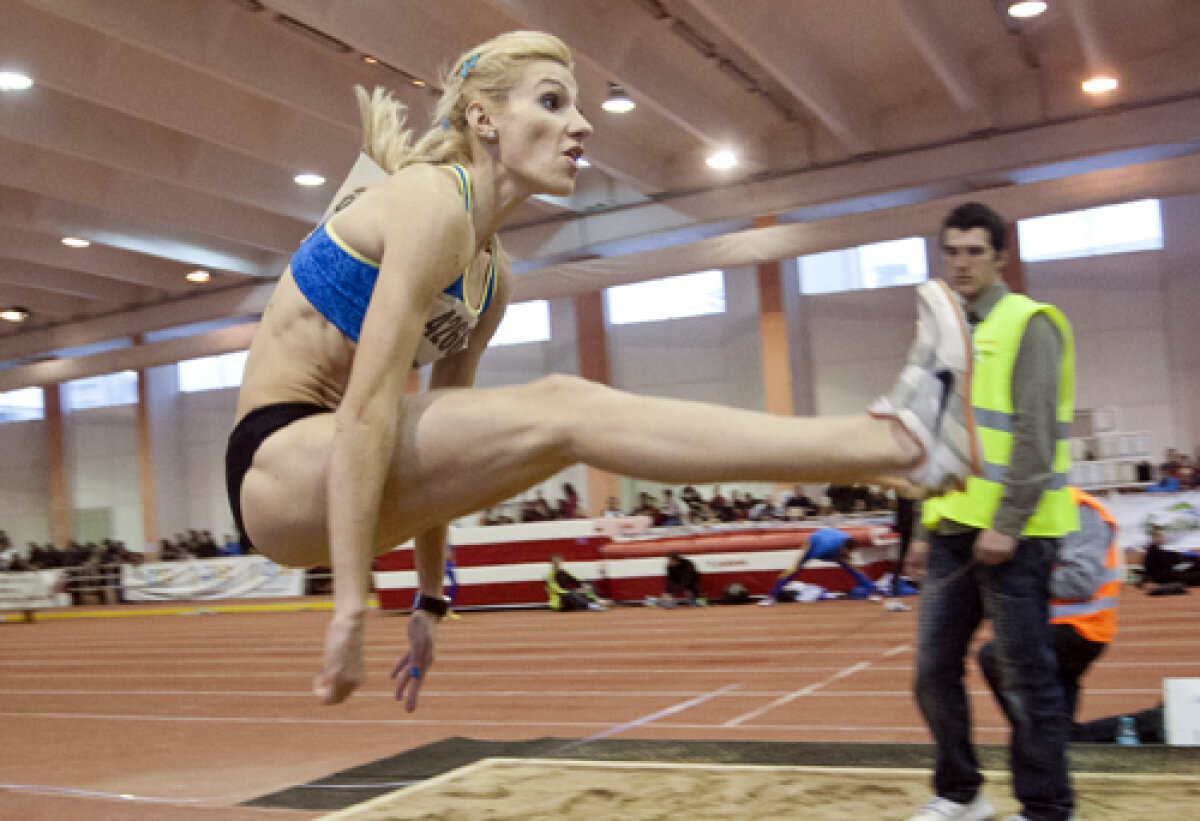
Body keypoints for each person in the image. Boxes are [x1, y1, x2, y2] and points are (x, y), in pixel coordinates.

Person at [224, 30, 978, 712]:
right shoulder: (429, 205)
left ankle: (901, 448)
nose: (581, 126)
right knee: (562, 407)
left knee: (556, 428)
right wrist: (351, 604)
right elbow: (368, 412)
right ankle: (898, 444)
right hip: (277, 461)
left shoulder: (491, 279)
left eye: (575, 107)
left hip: (339, 476)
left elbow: (441, 445)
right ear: (484, 120)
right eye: (552, 103)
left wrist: (429, 599)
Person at [906, 202, 1077, 821]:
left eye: (974, 251)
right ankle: (960, 792)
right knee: (931, 673)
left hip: (1018, 538)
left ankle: (1047, 809)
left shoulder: (1029, 323)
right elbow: (936, 436)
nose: (960, 262)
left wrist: (1007, 522)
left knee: (1027, 683)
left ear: (1000, 257)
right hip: (951, 530)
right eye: (951, 250)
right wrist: (924, 527)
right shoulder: (942, 338)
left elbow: (1035, 436)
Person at [977, 487, 1121, 742]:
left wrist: (1018, 580)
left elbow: (1080, 582)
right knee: (1062, 738)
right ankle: (1144, 725)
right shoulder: (1031, 512)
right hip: (1051, 626)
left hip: (1079, 628)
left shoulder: (1080, 509)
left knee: (996, 657)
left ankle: (1038, 740)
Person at [757, 527, 877, 605]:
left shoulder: (847, 543)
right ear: (843, 548)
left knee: (853, 569)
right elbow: (814, 552)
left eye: (849, 553)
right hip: (813, 544)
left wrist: (847, 558)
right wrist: (802, 560)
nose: (848, 555)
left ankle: (873, 592)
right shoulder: (827, 547)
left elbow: (849, 560)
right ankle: (771, 597)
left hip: (831, 542)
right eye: (846, 552)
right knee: (793, 570)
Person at [1140, 523, 1200, 587]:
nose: (1162, 538)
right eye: (1160, 536)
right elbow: (1168, 561)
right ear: (1154, 537)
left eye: (1162, 536)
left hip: (1169, 574)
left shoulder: (1156, 549)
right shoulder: (1153, 551)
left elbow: (1169, 557)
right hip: (1167, 578)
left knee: (1195, 565)